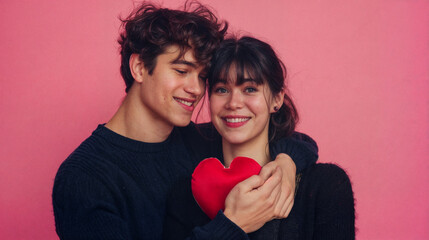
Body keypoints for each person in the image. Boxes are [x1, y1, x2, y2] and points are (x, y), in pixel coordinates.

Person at [52, 2, 319, 240]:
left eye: (203, 77)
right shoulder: (83, 178)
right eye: (182, 71)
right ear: (140, 68)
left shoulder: (196, 141)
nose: (196, 89)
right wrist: (233, 225)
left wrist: (286, 163)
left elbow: (289, 138)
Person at [163, 36, 355, 239]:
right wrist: (231, 225)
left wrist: (287, 161)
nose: (233, 103)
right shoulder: (185, 193)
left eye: (250, 89)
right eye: (222, 90)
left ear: (277, 99)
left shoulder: (325, 186)